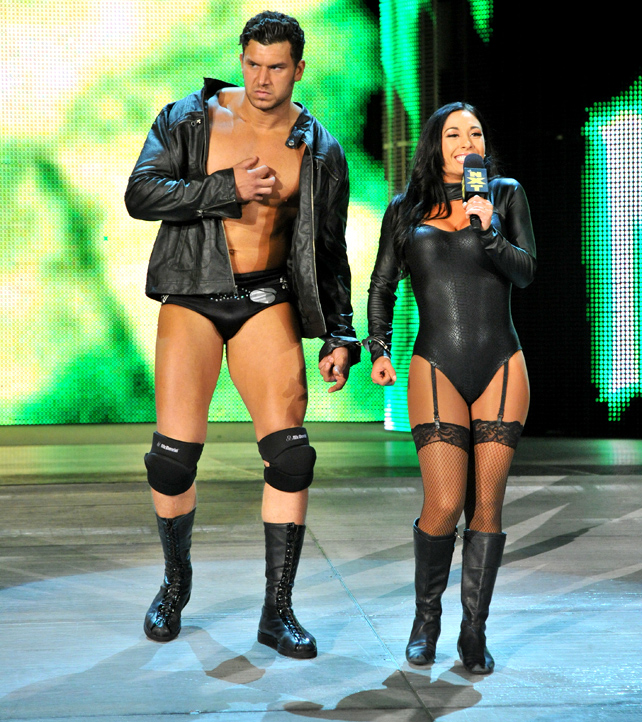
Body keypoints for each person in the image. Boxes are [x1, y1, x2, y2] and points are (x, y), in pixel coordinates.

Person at [124, 11, 360, 660]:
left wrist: (341, 333)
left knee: (292, 457)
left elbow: (330, 250)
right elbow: (140, 194)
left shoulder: (319, 148)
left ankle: (277, 612)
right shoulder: (190, 118)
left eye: (276, 67)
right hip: (192, 294)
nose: (261, 78)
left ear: (299, 69)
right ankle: (175, 584)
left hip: (265, 299)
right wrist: (225, 188)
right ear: (241, 59)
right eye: (253, 63)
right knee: (171, 460)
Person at [365, 102, 536, 674]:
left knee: (487, 504)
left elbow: (526, 272)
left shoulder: (504, 195)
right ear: (435, 144)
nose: (467, 142)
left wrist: (488, 231)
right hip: (435, 363)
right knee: (442, 503)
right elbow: (382, 284)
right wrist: (379, 349)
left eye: (476, 133)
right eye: (454, 133)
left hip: (501, 364)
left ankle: (473, 632)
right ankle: (426, 621)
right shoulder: (405, 208)